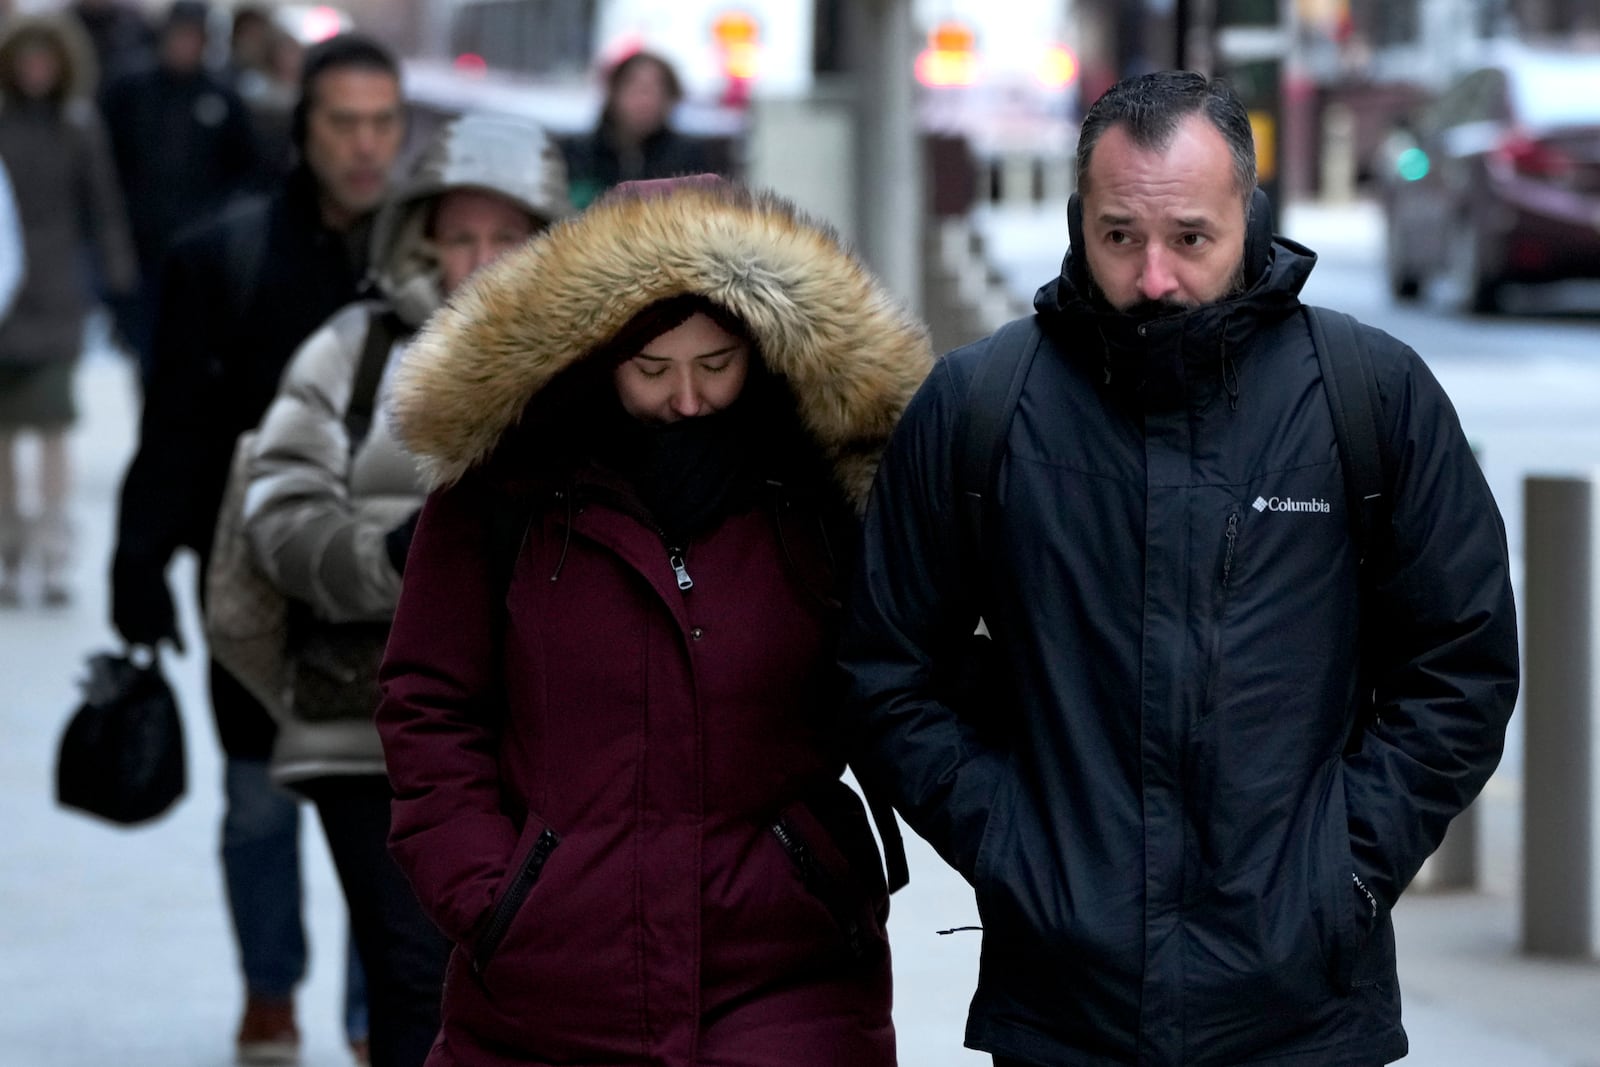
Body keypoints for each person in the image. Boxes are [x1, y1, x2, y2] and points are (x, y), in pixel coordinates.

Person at [840, 70, 1520, 1067]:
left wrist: (1341, 869)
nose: (1153, 275)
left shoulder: (1367, 394)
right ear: (1080, 220)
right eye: (1120, 236)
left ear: (1247, 215)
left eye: (1189, 239)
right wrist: (1015, 850)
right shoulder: (978, 404)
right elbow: (886, 668)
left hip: (1305, 1012)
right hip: (1064, 1010)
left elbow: (1459, 666)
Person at [375, 175, 931, 1067]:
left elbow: (914, 681)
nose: (686, 400)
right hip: (548, 977)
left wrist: (829, 866)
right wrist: (493, 894)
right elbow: (428, 700)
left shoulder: (829, 490)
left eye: (716, 366)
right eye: (652, 369)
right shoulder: (504, 486)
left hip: (785, 963)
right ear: (598, 360)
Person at [239, 113, 572, 1067]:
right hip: (364, 720)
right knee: (413, 977)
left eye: (506, 234)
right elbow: (279, 511)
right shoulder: (356, 350)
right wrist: (390, 560)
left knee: (521, 978)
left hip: (538, 731)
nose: (481, 259)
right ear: (420, 235)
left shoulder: (587, 364)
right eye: (460, 234)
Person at [108, 32, 405, 1066]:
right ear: (303, 129)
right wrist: (138, 563)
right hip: (256, 586)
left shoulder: (440, 263)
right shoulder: (222, 255)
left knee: (399, 804)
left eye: (383, 123)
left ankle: (383, 1011)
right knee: (257, 802)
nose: (366, 146)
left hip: (394, 582)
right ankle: (270, 992)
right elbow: (176, 428)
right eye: (344, 122)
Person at [0, 14, 137, 606]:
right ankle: (9, 546)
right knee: (3, 432)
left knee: (55, 423)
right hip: (3, 291)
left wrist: (114, 273)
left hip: (57, 292)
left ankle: (54, 546)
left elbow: (101, 204)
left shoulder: (79, 126)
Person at [102, 0, 259, 376]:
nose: (187, 45)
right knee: (145, 350)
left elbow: (244, 169)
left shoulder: (223, 96)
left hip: (200, 247)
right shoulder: (130, 91)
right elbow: (106, 166)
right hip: (140, 246)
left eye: (196, 38)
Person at [561, 50, 710, 210]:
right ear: (613, 93)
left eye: (656, 92)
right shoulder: (578, 154)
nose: (645, 101)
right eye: (637, 89)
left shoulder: (688, 159)